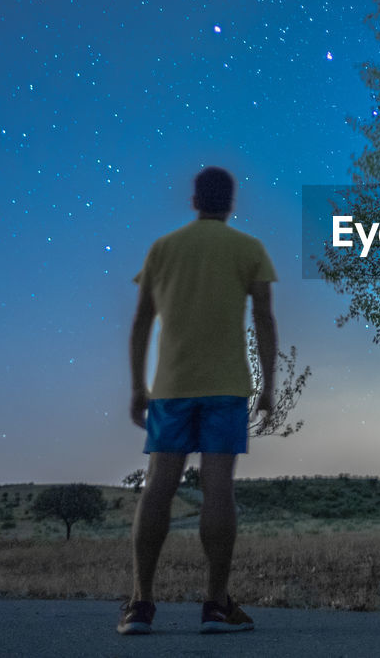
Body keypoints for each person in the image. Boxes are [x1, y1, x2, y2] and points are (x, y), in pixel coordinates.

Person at [118, 166, 278, 635]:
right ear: (232, 204)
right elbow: (265, 320)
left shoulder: (163, 249)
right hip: (226, 387)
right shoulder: (249, 249)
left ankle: (140, 605)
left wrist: (136, 385)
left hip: (171, 388)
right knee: (218, 490)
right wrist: (268, 385)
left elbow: (141, 321)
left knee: (158, 488)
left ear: (193, 201)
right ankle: (214, 605)